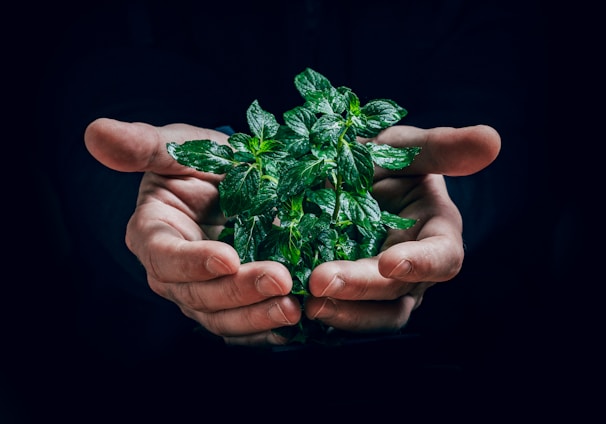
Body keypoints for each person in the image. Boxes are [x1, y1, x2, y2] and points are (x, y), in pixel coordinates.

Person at [25, 0, 549, 415]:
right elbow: (89, 72)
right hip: (152, 371)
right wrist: (143, 207)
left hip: (455, 365)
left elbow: (522, 105)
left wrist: (452, 198)